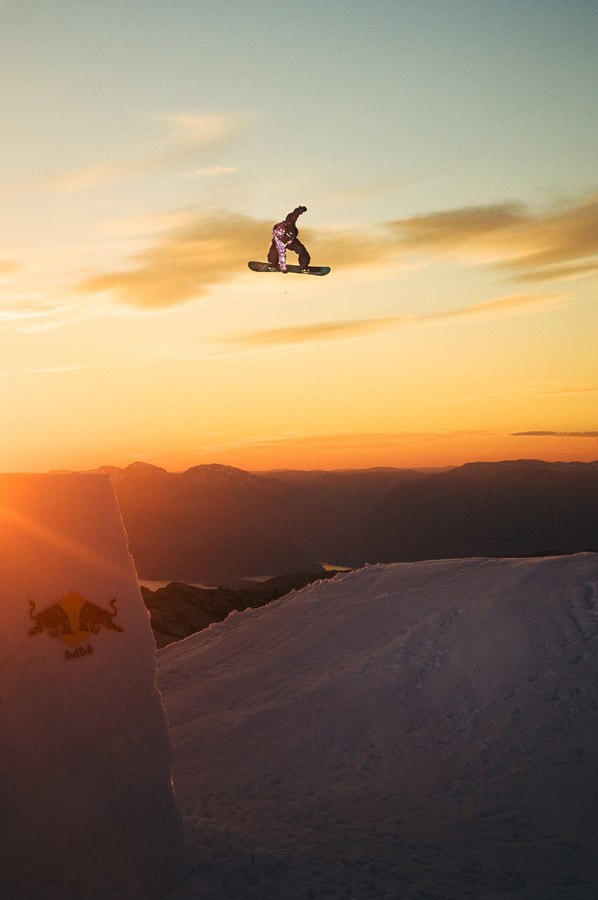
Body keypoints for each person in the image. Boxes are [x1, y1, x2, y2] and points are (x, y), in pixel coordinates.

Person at [267, 205, 311, 272]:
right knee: (274, 252)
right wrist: (283, 268)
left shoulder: (290, 221)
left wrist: (300, 210)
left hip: (292, 241)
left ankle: (304, 265)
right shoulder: (279, 242)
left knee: (301, 250)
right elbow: (282, 255)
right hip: (280, 242)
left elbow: (294, 214)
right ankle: (273, 264)